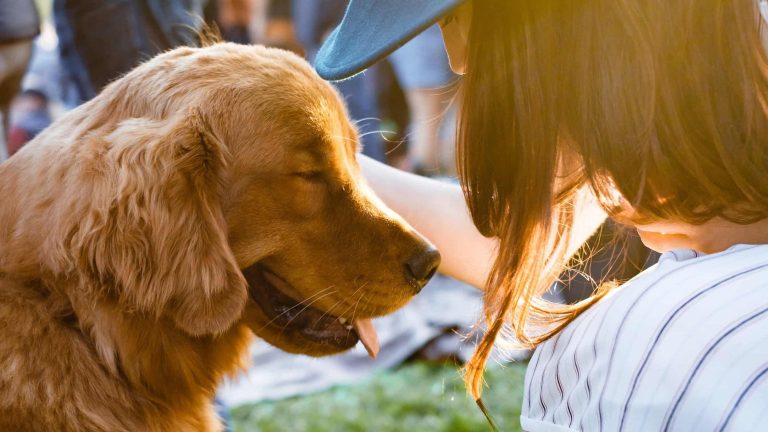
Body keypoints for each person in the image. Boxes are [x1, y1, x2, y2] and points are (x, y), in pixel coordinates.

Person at [314, 0, 768, 430]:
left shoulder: (640, 353)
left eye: (450, 19)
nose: (457, 61)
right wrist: (318, 165)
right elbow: (518, 243)